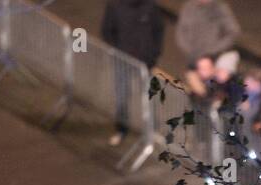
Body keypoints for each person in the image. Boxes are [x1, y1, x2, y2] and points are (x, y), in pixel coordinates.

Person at [101, 0, 166, 146]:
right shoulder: (115, 6)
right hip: (123, 61)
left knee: (150, 96)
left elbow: (159, 30)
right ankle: (121, 130)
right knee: (122, 96)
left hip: (146, 62)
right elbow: (107, 31)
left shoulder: (150, 6)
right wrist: (118, 52)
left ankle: (153, 130)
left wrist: (154, 54)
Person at [176, 0, 241, 72]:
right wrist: (187, 48)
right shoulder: (190, 6)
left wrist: (213, 50)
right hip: (192, 55)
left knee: (206, 81)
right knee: (190, 77)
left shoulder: (219, 8)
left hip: (210, 59)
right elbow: (181, 29)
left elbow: (233, 31)